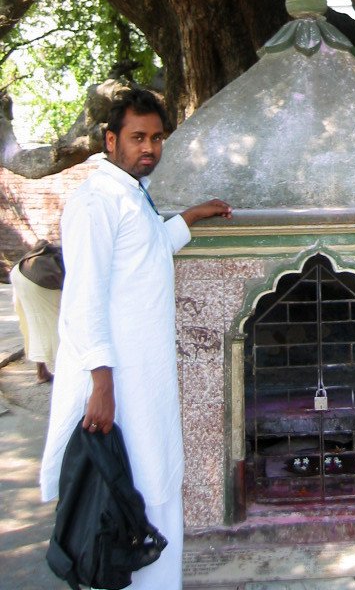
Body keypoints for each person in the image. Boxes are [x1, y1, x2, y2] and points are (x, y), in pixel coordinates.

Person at [40, 88, 232, 590]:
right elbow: (84, 298)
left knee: (154, 486)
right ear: (110, 139)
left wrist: (189, 217)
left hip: (145, 380)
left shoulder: (131, 193)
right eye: (137, 137)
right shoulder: (95, 201)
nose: (149, 147)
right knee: (124, 496)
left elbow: (146, 253)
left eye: (157, 138)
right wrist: (101, 383)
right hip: (116, 381)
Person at [9, 239, 65, 382]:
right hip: (38, 280)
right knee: (58, 325)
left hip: (19, 272)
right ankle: (64, 373)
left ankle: (42, 372)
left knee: (34, 325)